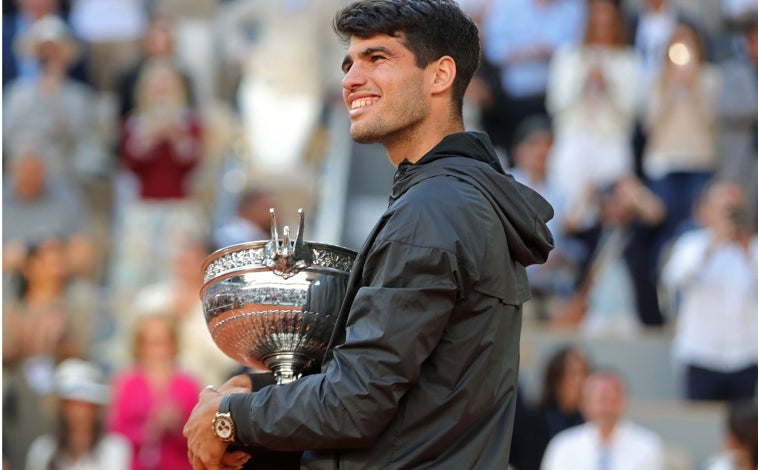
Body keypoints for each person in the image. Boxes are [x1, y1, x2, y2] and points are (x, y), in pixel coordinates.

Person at [183, 1, 554, 469]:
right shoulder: (454, 200)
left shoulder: (433, 212)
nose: (350, 79)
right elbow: (409, 397)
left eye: (377, 58)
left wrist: (230, 416)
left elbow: (354, 403)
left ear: (440, 76)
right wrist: (260, 394)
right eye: (348, 63)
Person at [660, 179, 758, 402]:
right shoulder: (692, 243)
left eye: (736, 210)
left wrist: (746, 249)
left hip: (745, 356)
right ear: (707, 211)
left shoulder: (754, 248)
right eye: (725, 209)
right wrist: (715, 242)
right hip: (700, 355)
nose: (731, 216)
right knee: (699, 427)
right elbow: (676, 277)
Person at [108, 313, 202, 470]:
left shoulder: (188, 384)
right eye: (150, 343)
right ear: (139, 346)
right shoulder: (127, 383)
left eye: (162, 343)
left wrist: (178, 426)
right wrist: (149, 430)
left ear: (173, 345)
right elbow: (116, 429)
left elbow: (200, 435)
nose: (156, 350)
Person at [541, 369, 665, 470]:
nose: (607, 408)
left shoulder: (647, 446)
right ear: (585, 403)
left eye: (613, 399)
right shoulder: (563, 446)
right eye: (601, 399)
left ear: (623, 402)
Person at [24, 358, 132, 470]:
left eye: (84, 405)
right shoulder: (43, 450)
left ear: (95, 408)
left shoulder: (114, 449)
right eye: (71, 404)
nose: (77, 413)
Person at [522, 345, 590, 470]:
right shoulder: (534, 418)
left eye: (584, 373)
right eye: (574, 373)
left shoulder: (590, 420)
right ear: (556, 378)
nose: (581, 380)